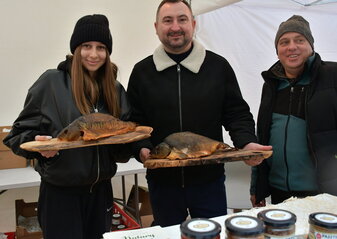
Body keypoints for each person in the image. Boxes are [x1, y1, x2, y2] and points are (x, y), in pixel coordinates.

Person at [127, 0, 271, 227]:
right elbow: (135, 121)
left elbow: (236, 113)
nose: (175, 26)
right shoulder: (142, 72)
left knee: (210, 234)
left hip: (209, 182)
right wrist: (141, 148)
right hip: (162, 184)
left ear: (193, 24)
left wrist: (246, 142)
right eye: (168, 20)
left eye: (182, 19)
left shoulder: (218, 67)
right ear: (156, 27)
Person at [3, 14, 132, 239]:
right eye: (86, 46)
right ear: (75, 49)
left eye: (101, 47)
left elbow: (122, 146)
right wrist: (41, 148)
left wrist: (129, 142)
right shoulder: (51, 83)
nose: (93, 54)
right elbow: (18, 135)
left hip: (101, 193)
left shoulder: (115, 89)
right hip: (60, 196)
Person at [250, 15, 337, 207]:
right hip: (279, 192)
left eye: (299, 40)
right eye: (284, 42)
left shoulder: (332, 76)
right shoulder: (272, 85)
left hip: (323, 193)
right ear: (277, 50)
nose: (291, 47)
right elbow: (262, 137)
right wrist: (257, 186)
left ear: (311, 46)